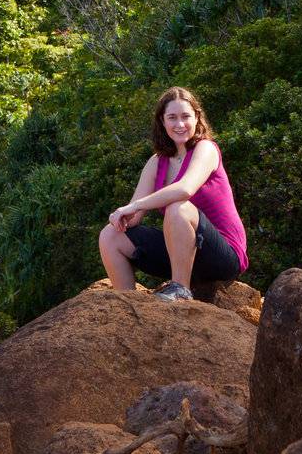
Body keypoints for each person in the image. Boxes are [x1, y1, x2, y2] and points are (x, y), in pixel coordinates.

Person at [98, 85, 249, 302]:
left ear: (197, 118)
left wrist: (136, 205)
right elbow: (135, 216)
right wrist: (121, 217)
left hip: (222, 256)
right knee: (110, 235)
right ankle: (128, 304)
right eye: (172, 117)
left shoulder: (205, 149)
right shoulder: (156, 162)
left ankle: (180, 289)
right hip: (181, 253)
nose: (179, 124)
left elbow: (185, 189)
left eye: (186, 116)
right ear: (162, 121)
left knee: (178, 206)